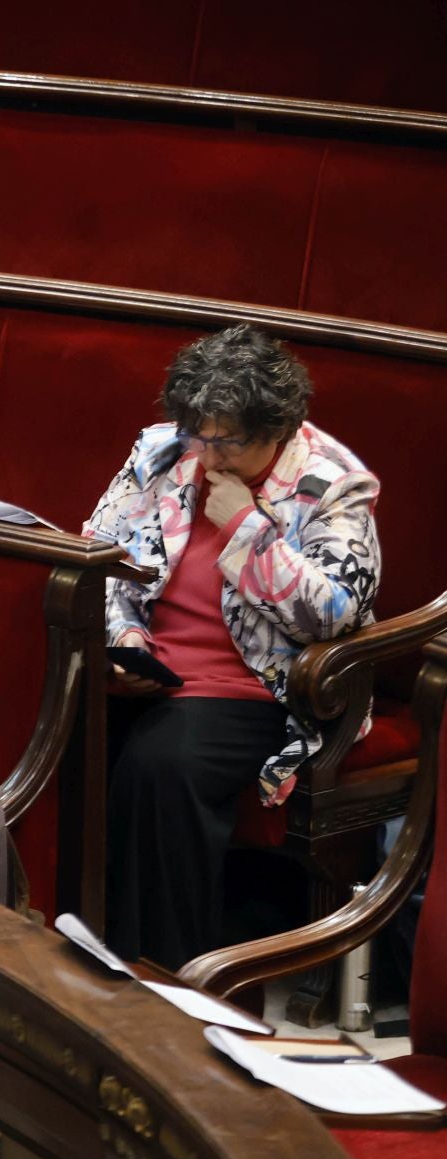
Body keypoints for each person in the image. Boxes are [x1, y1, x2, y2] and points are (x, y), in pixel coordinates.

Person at [85, 325, 381, 970]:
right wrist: (123, 637)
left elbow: (334, 614)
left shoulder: (332, 484)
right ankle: (62, 956)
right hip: (152, 669)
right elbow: (98, 555)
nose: (209, 454)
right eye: (200, 433)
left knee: (163, 763)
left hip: (259, 688)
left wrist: (245, 527)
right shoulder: (163, 453)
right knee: (63, 729)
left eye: (231, 440)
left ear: (278, 428)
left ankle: (166, 976)